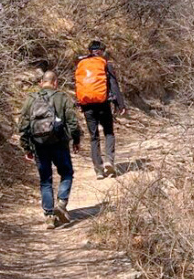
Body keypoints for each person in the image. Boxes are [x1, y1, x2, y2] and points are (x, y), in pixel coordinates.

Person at [18, 68, 81, 228]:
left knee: (45, 180)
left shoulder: (31, 99)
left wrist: (26, 147)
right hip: (60, 144)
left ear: (41, 83)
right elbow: (73, 122)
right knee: (66, 173)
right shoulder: (62, 97)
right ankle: (61, 203)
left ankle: (49, 216)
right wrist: (76, 140)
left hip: (39, 145)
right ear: (56, 83)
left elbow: (23, 125)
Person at [73, 40, 125, 178]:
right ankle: (109, 161)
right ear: (101, 51)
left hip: (86, 105)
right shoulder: (105, 63)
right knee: (109, 133)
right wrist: (120, 104)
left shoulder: (81, 64)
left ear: (90, 51)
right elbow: (113, 85)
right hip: (103, 104)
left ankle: (99, 170)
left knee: (94, 137)